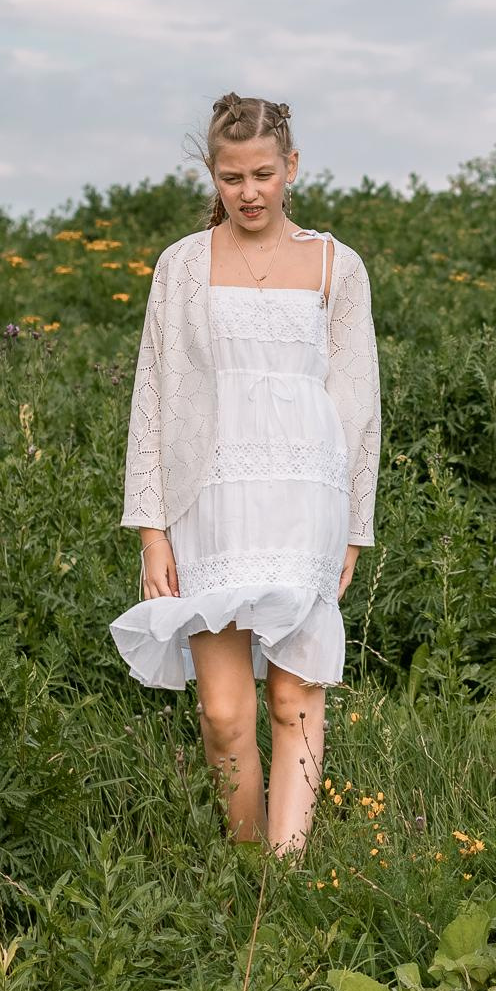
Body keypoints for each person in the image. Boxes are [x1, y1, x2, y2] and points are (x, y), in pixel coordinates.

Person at [111, 93, 380, 852]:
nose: (249, 192)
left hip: (306, 499)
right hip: (209, 502)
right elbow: (153, 396)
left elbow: (359, 404)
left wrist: (354, 526)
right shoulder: (182, 266)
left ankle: (286, 882)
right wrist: (151, 530)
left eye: (263, 174)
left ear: (291, 167)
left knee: (293, 698)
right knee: (224, 714)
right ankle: (246, 863)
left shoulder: (336, 266)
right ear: (213, 175)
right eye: (232, 178)